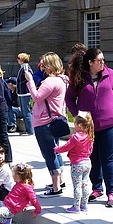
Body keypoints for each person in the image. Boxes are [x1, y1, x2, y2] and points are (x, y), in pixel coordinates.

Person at [66, 47, 113, 208]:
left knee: (108, 158)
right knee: (92, 158)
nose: (103, 63)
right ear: (90, 62)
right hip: (88, 127)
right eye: (99, 60)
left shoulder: (110, 74)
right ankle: (96, 188)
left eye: (103, 60)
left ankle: (111, 192)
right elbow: (69, 98)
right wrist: (77, 115)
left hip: (110, 125)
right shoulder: (79, 77)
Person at [25, 52, 69, 197]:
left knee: (49, 154)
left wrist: (30, 80)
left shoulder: (50, 81)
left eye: (44, 65)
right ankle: (60, 180)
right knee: (56, 151)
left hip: (44, 122)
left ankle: (56, 187)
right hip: (55, 121)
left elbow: (37, 97)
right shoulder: (63, 80)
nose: (42, 68)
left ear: (49, 66)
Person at [54, 110, 94, 213]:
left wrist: (57, 149)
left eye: (75, 123)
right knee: (85, 184)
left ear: (80, 125)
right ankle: (84, 205)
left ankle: (76, 207)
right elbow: (90, 150)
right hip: (87, 163)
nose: (74, 126)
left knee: (77, 186)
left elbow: (66, 147)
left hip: (77, 164)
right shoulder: (89, 136)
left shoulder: (75, 137)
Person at [14, 53, 34, 135]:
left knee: (26, 112)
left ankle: (30, 130)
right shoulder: (22, 67)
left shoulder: (25, 67)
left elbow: (29, 78)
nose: (17, 60)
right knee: (24, 111)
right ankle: (28, 129)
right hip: (22, 93)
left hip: (25, 93)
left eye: (19, 58)